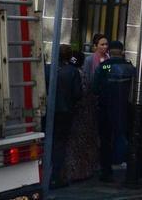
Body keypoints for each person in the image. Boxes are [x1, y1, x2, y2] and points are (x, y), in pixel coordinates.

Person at [91, 40, 136, 183]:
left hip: (106, 108)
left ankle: (106, 172)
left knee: (105, 140)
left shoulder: (103, 67)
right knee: (127, 136)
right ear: (123, 51)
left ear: (109, 51)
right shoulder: (129, 67)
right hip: (125, 108)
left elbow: (95, 88)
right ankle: (129, 169)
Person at [62, 50, 100, 183]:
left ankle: (73, 172)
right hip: (85, 113)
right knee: (83, 145)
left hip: (77, 113)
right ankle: (82, 171)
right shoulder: (82, 74)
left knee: (74, 144)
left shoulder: (70, 72)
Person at [50, 45, 83, 188]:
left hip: (50, 110)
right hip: (65, 111)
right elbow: (77, 94)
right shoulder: (72, 71)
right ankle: (55, 177)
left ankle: (47, 173)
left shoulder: (48, 69)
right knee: (60, 144)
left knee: (49, 142)